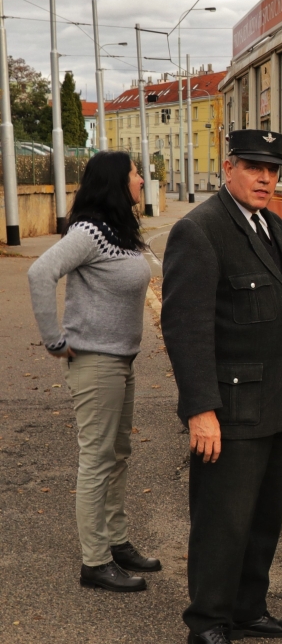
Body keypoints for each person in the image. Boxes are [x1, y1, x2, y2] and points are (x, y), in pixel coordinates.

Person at [161, 130, 282, 644]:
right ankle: (207, 622)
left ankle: (248, 609)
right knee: (222, 523)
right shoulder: (200, 230)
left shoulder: (273, 227)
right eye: (253, 167)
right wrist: (200, 409)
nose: (265, 178)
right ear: (229, 168)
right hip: (228, 410)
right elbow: (185, 329)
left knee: (263, 518)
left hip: (273, 401)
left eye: (272, 169)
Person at [27, 150, 160, 592]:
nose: (142, 180)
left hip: (123, 361)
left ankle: (116, 542)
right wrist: (54, 340)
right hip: (96, 363)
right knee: (96, 460)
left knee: (117, 455)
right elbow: (39, 272)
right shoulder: (87, 233)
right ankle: (95, 561)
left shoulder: (119, 232)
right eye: (136, 174)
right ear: (116, 183)